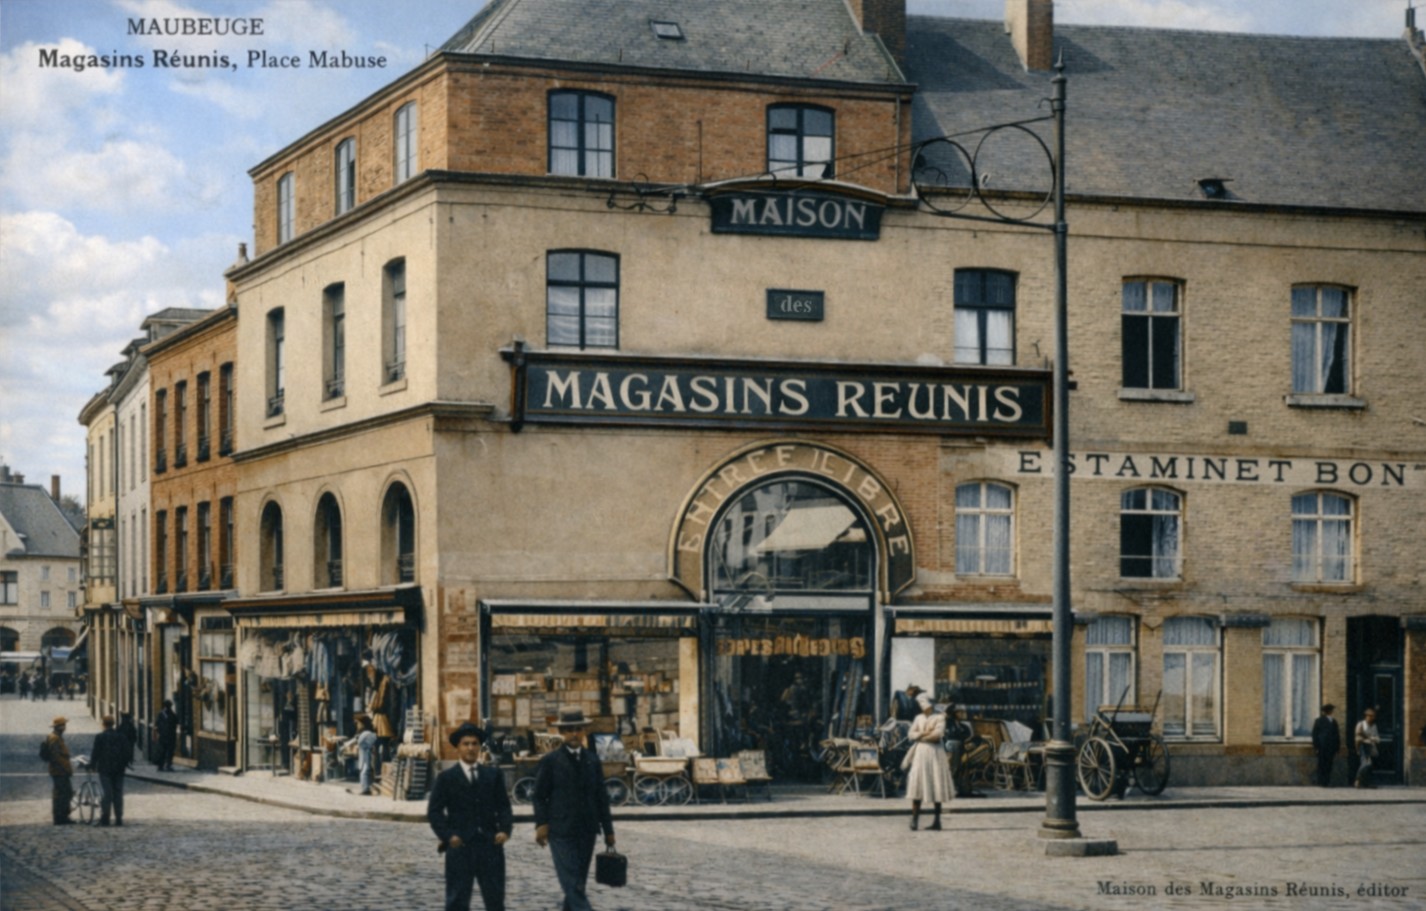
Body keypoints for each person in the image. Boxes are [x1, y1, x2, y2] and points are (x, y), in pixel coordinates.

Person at [533, 708, 615, 911]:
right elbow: (538, 796)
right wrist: (542, 823)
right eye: (569, 730)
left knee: (578, 881)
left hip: (587, 830)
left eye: (578, 729)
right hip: (561, 830)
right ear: (562, 732)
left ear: (584, 731)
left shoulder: (592, 760)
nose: (575, 734)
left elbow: (601, 798)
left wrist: (609, 831)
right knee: (571, 881)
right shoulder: (551, 761)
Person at [427, 721, 512, 911]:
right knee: (457, 900)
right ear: (458, 747)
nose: (471, 748)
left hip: (490, 847)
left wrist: (505, 830)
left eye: (474, 743)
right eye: (466, 744)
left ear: (480, 747)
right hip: (460, 847)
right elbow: (434, 812)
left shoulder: (493, 775)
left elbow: (504, 807)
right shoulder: (446, 778)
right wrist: (448, 835)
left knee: (495, 900)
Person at [902, 693, 954, 830]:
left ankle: (937, 821)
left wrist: (920, 736)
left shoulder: (939, 717)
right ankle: (914, 820)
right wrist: (924, 733)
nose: (924, 708)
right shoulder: (918, 718)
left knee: (936, 783)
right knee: (917, 784)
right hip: (920, 753)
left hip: (935, 753)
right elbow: (910, 734)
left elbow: (937, 735)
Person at [92, 715, 134, 826]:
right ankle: (118, 818)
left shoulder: (100, 737)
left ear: (103, 724)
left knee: (107, 793)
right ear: (113, 724)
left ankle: (105, 818)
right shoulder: (121, 737)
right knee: (118, 793)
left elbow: (95, 753)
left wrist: (92, 765)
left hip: (105, 770)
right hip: (119, 770)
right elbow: (128, 752)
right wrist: (124, 764)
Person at [41, 716, 73, 825]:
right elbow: (56, 756)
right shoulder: (55, 738)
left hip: (60, 770)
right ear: (59, 727)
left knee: (65, 792)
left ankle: (63, 816)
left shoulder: (56, 737)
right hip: (59, 771)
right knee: (62, 794)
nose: (65, 727)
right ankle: (60, 817)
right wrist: (66, 768)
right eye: (63, 725)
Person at [344, 714, 379, 796]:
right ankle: (366, 787)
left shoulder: (368, 733)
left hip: (368, 754)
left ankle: (366, 788)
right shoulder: (363, 733)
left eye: (358, 723)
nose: (357, 725)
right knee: (364, 770)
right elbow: (357, 739)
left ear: (363, 723)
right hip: (365, 754)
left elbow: (368, 744)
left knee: (365, 770)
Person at [1311, 704, 1340, 787]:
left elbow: (1336, 735)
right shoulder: (1319, 721)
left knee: (1329, 764)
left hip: (1331, 747)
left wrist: (1337, 747)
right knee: (1322, 764)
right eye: (1331, 710)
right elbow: (1315, 734)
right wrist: (1316, 746)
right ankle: (1322, 781)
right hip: (1322, 747)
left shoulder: (1334, 721)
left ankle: (1326, 781)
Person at [1354, 707, 1380, 789]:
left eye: (1373, 716)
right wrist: (1365, 739)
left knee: (1370, 765)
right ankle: (1358, 780)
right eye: (1370, 716)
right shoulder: (1361, 724)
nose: (1372, 718)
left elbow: (1377, 736)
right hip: (1363, 746)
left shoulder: (1374, 726)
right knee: (1366, 763)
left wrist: (1374, 739)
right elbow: (1358, 736)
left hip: (1371, 746)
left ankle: (1366, 782)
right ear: (1366, 716)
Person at [154, 699, 179, 771]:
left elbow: (176, 723)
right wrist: (160, 732)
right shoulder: (162, 714)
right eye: (167, 706)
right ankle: (161, 766)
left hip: (169, 736)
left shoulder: (172, 714)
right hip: (164, 736)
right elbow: (157, 724)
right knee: (163, 751)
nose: (168, 707)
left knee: (169, 751)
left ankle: (167, 765)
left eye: (169, 706)